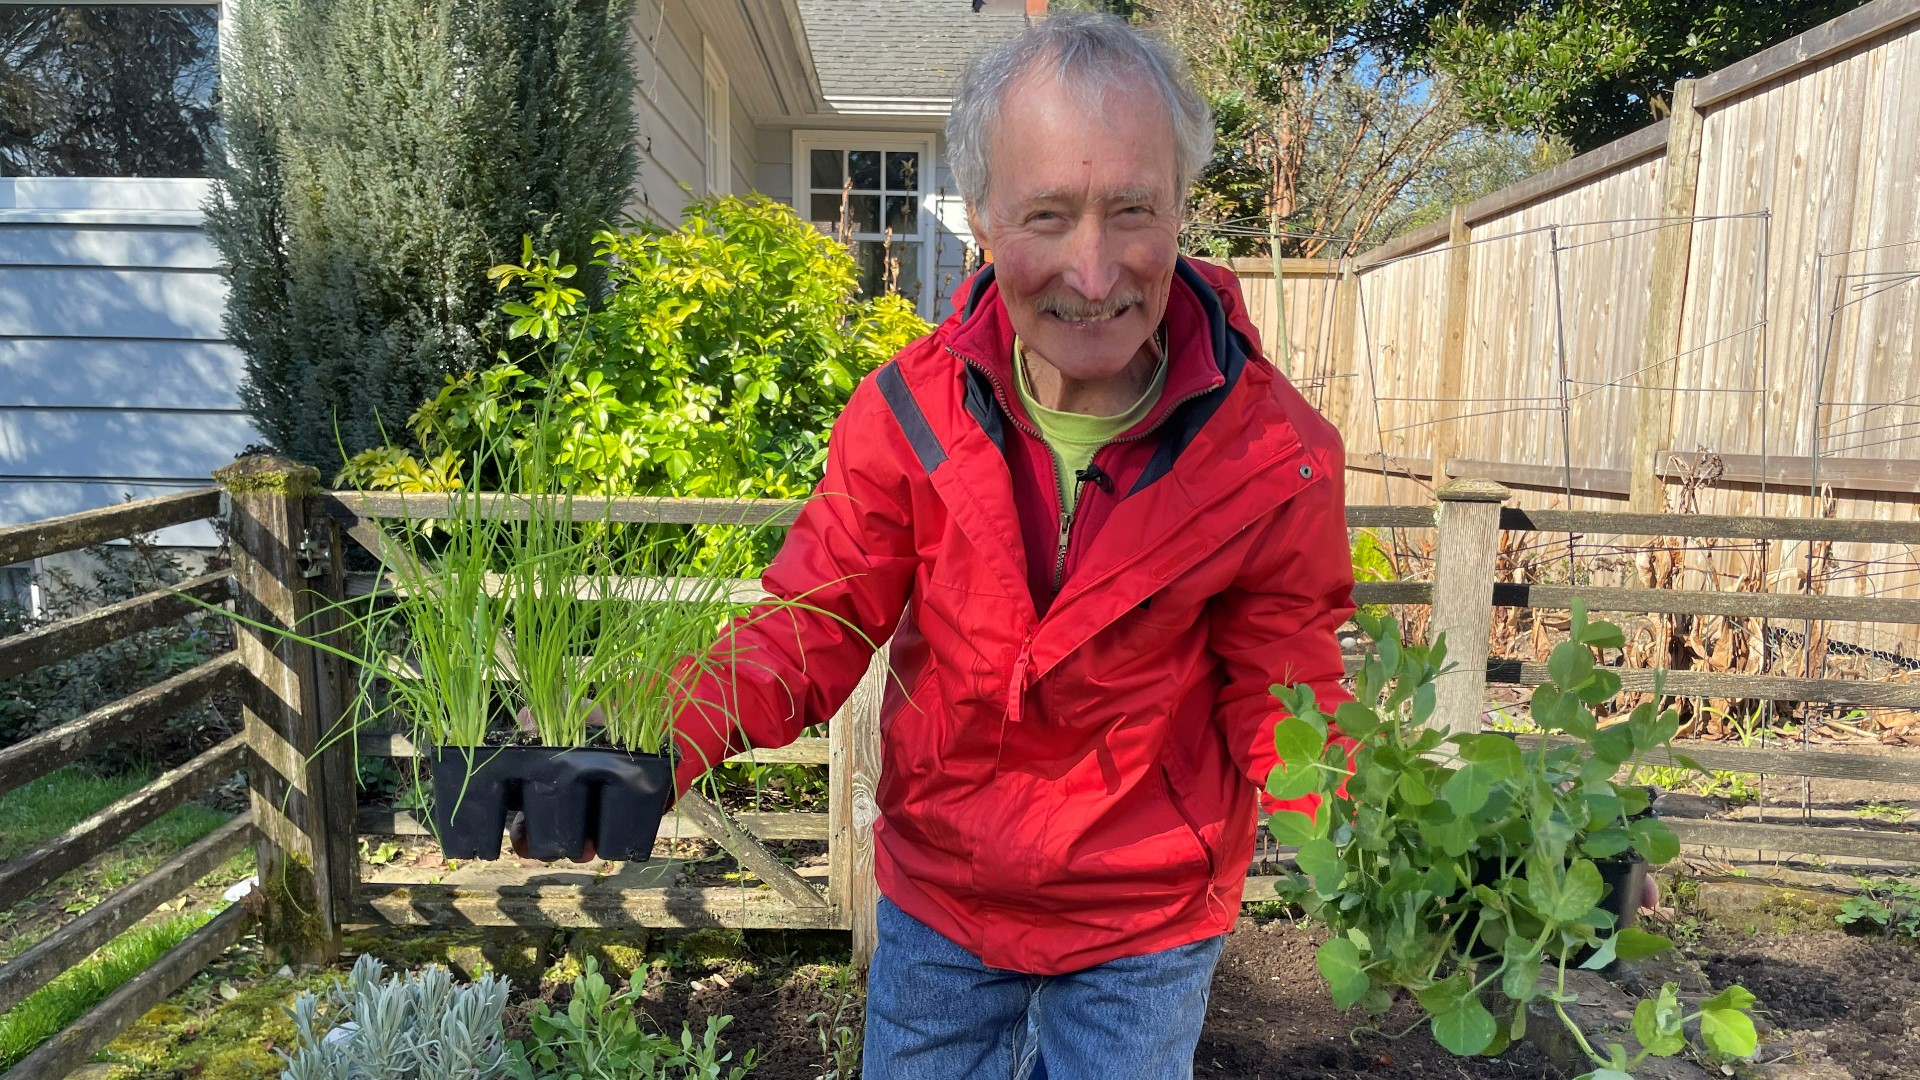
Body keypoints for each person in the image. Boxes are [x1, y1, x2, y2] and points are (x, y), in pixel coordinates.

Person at [669, 14, 1356, 1080]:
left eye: (1132, 208)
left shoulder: (1273, 454)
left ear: (1180, 208)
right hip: (945, 915)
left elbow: (1287, 690)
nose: (1093, 271)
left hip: (1146, 932)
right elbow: (815, 623)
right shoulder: (907, 414)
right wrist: (659, 737)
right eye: (1048, 214)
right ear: (984, 217)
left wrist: (1413, 845)